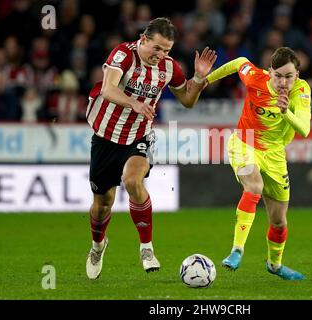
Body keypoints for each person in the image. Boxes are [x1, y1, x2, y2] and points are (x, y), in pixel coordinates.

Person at [85, 17, 216, 280]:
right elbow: (109, 88)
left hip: (139, 135)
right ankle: (98, 246)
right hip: (105, 136)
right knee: (103, 203)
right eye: (156, 48)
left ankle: (147, 248)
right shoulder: (123, 54)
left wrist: (199, 78)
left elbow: (188, 101)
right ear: (143, 39)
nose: (161, 55)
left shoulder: (169, 68)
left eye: (166, 50)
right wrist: (133, 103)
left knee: (133, 181)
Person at [205, 47, 311, 280]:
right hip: (245, 143)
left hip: (274, 154)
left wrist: (285, 112)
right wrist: (207, 79)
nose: (283, 82)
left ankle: (275, 265)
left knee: (279, 222)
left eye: (289, 76)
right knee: (253, 186)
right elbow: (239, 62)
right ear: (269, 72)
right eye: (278, 75)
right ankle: (237, 249)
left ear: (297, 76)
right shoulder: (255, 78)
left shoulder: (301, 91)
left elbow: (304, 128)